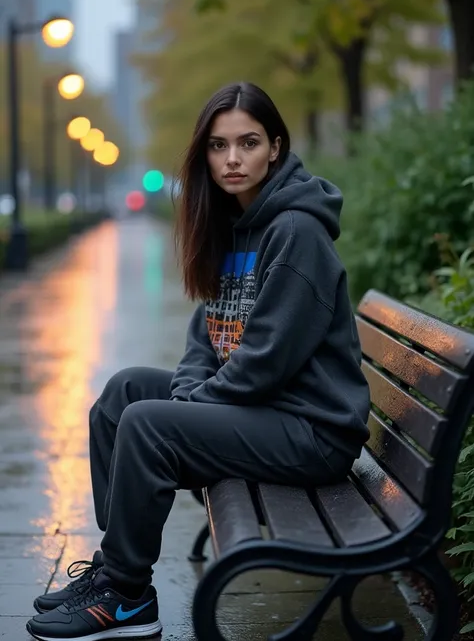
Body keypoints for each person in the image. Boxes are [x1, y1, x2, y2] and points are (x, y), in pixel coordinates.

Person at [26, 82, 370, 641]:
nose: (232, 159)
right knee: (125, 395)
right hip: (270, 412)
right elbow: (207, 339)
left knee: (150, 423)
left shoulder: (297, 232)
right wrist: (186, 393)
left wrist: (185, 408)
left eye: (249, 143)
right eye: (218, 146)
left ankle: (126, 596)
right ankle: (117, 577)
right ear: (203, 153)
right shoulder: (235, 225)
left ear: (275, 148)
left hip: (313, 429)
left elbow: (263, 364)